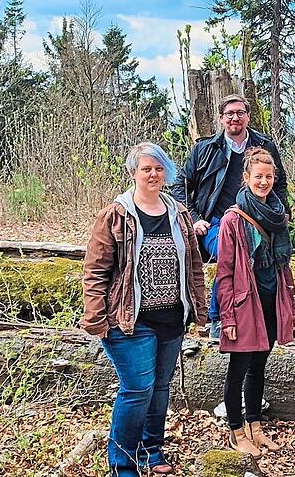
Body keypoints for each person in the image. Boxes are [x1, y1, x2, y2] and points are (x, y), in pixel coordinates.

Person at [82, 142, 207, 476]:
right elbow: (95, 271)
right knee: (137, 389)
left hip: (171, 320)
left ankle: (152, 450)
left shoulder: (179, 213)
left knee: (160, 388)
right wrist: (97, 318)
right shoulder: (116, 215)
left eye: (158, 168)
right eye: (146, 169)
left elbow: (194, 265)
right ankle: (122, 464)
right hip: (128, 322)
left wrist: (200, 312)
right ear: (133, 172)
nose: (153, 174)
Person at [172, 94, 290, 338]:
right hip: (216, 223)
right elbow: (179, 184)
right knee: (234, 252)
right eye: (229, 114)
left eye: (240, 113)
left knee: (267, 260)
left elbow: (278, 183)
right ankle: (218, 318)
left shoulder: (264, 145)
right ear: (221, 119)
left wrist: (283, 212)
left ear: (248, 116)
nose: (235, 118)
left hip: (259, 222)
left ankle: (266, 318)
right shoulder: (205, 149)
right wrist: (194, 218)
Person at [215, 147, 295, 458]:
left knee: (259, 366)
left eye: (269, 176)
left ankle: (256, 427)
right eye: (258, 176)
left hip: (271, 299)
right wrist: (228, 317)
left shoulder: (278, 214)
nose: (263, 182)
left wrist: (289, 307)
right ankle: (237, 432)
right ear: (246, 178)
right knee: (238, 368)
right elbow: (224, 273)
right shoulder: (233, 220)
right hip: (243, 304)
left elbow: (284, 265)